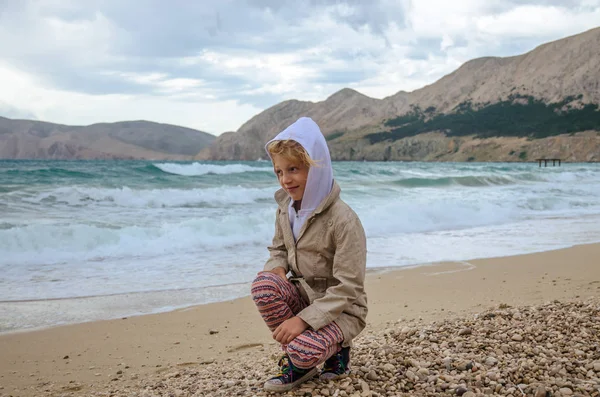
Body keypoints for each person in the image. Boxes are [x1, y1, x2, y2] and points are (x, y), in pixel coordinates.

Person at [250, 117, 368, 392]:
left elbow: (348, 287)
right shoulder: (286, 209)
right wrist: (277, 268)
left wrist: (302, 321)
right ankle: (299, 363)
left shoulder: (344, 220)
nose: (285, 179)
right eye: (279, 171)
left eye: (293, 169)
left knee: (303, 351)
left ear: (316, 168)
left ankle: (333, 352)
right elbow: (278, 249)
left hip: (343, 310)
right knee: (264, 285)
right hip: (305, 296)